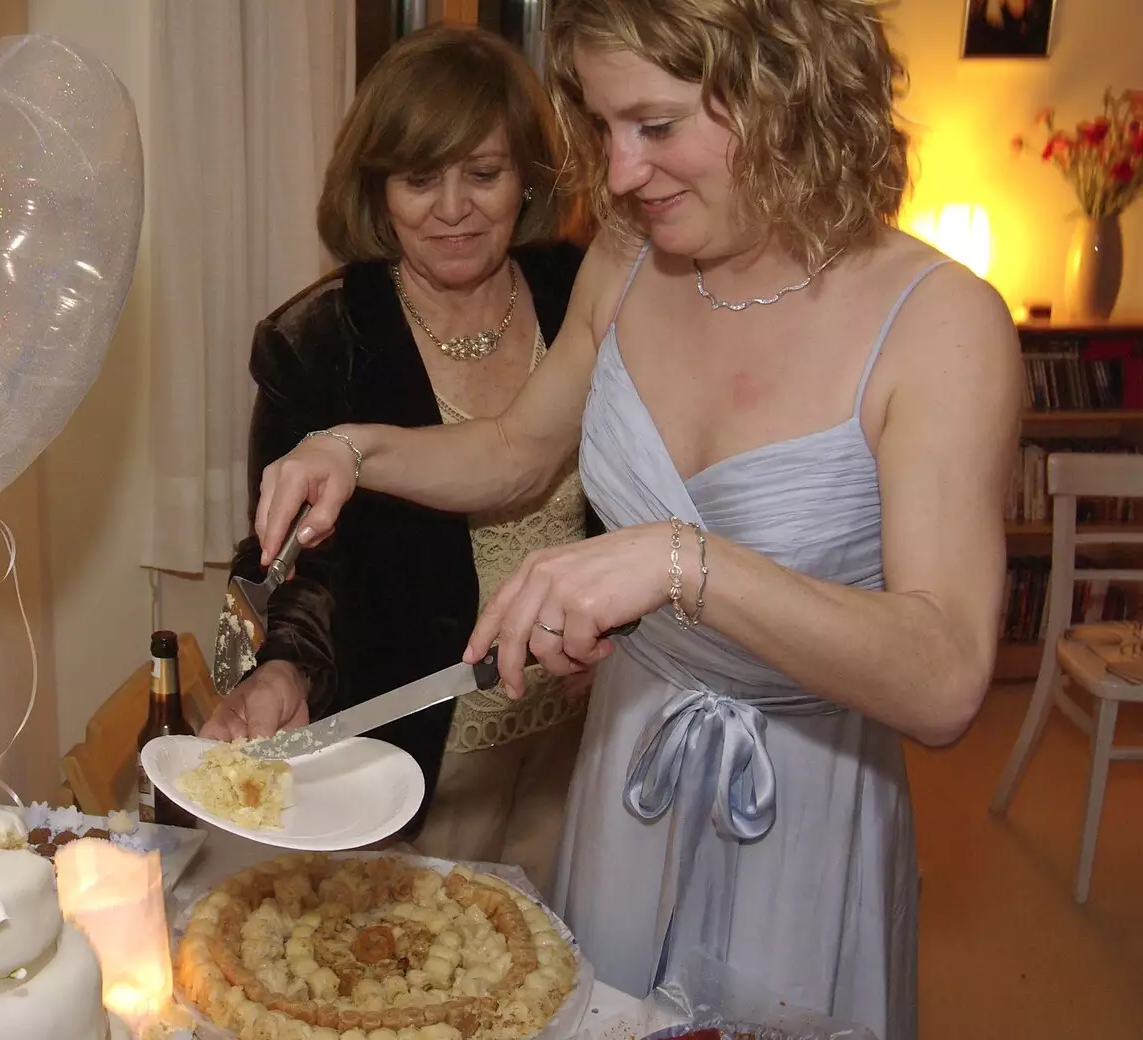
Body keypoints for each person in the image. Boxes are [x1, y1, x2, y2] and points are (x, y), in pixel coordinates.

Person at [246, 2, 1022, 1037]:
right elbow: (519, 450)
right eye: (604, 128)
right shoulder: (625, 255)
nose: (616, 174)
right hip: (624, 774)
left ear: (782, 90)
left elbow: (945, 673)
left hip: (802, 807)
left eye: (654, 127)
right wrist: (353, 446)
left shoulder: (938, 323)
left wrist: (679, 562)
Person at [200, 25, 597, 895]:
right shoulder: (317, 340)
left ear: (525, 177)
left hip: (584, 738)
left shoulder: (581, 291)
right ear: (377, 191)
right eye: (420, 179)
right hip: (416, 759)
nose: (452, 207)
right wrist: (281, 667)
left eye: (482, 174)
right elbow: (293, 561)